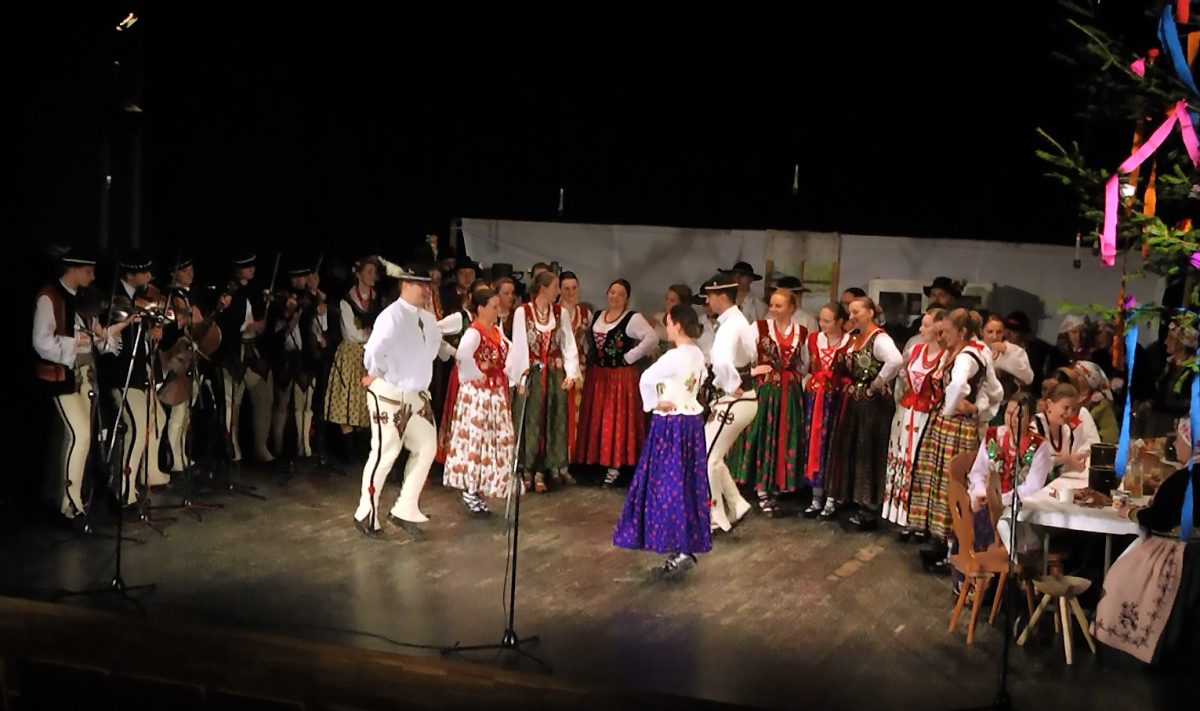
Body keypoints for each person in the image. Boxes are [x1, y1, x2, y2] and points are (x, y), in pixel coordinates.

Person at [612, 305, 711, 576]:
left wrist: (656, 401)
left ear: (677, 325)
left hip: (671, 424)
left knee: (667, 482)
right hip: (691, 423)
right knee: (687, 482)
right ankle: (684, 543)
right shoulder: (696, 353)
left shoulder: (675, 356)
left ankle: (675, 542)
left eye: (668, 323)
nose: (666, 328)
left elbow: (646, 378)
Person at [352, 259, 443, 540]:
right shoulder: (391, 316)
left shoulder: (427, 319)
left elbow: (431, 350)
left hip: (416, 394)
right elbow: (373, 352)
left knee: (427, 446)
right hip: (391, 393)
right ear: (405, 285)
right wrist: (379, 373)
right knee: (385, 453)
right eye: (420, 285)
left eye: (428, 286)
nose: (426, 291)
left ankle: (405, 506)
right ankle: (366, 512)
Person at [33, 248, 124, 520]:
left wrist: (116, 329)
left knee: (79, 437)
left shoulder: (86, 300)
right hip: (62, 376)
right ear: (72, 269)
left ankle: (72, 498)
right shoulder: (49, 297)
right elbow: (42, 342)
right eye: (88, 271)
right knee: (81, 434)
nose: (93, 276)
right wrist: (76, 342)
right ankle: (70, 503)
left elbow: (100, 342)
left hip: (86, 376)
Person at [1099, 420, 1199, 666]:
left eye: (1179, 439)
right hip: (1194, 551)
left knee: (1121, 574)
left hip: (1178, 551)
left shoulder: (1185, 479)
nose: (1175, 444)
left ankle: (1127, 643)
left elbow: (1160, 519)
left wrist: (1131, 512)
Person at [823, 296, 904, 528]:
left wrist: (876, 385)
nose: (851, 316)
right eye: (850, 312)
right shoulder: (856, 337)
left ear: (870, 313)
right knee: (857, 450)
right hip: (857, 403)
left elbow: (895, 361)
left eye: (856, 312)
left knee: (869, 452)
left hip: (873, 405)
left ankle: (869, 507)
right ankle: (857, 500)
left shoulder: (880, 339)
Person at [443, 288, 523, 515]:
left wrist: (515, 373)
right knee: (476, 439)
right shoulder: (475, 332)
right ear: (480, 308)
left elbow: (510, 352)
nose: (498, 310)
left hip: (494, 393)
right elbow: (462, 355)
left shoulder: (495, 330)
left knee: (491, 440)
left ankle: (478, 487)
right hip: (479, 396)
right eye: (493, 307)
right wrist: (477, 373)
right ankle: (470, 487)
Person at [573, 279, 656, 485]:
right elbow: (588, 341)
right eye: (612, 292)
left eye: (620, 294)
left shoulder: (632, 318)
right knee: (597, 418)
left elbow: (651, 338)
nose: (615, 297)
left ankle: (616, 465)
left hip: (620, 377)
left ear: (627, 298)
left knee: (616, 419)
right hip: (598, 375)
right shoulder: (598, 316)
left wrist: (629, 357)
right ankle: (596, 463)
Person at [736, 286, 807, 516]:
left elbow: (804, 363)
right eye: (772, 305)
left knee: (784, 435)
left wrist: (798, 377)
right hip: (766, 392)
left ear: (792, 307)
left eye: (779, 305)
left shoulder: (802, 331)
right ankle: (762, 489)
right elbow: (740, 353)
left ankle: (778, 483)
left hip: (790, 392)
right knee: (764, 434)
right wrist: (752, 371)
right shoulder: (759, 327)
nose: (773, 309)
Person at [511, 271, 580, 492]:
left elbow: (568, 343)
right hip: (532, 373)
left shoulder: (560, 313)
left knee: (553, 419)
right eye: (555, 287)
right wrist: (522, 378)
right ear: (543, 288)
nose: (558, 291)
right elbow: (519, 346)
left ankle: (544, 470)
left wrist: (571, 373)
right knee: (531, 419)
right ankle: (527, 469)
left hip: (553, 374)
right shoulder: (523, 312)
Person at [701, 273, 757, 532]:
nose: (707, 301)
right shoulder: (737, 321)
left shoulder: (731, 325)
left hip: (734, 399)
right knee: (712, 454)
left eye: (710, 296)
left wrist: (731, 384)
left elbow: (722, 360)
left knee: (708, 458)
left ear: (722, 296)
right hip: (741, 398)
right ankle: (737, 503)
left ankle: (716, 516)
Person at [883, 308, 946, 534]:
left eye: (926, 325)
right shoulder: (915, 350)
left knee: (921, 463)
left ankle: (919, 519)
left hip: (927, 415)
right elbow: (901, 379)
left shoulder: (946, 357)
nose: (921, 328)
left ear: (940, 329)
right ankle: (901, 514)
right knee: (902, 458)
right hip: (907, 412)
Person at [324, 256, 382, 459]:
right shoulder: (347, 301)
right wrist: (371, 335)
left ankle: (363, 446)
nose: (373, 276)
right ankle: (348, 450)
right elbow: (351, 333)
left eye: (374, 272)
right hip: (351, 354)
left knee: (367, 400)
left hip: (371, 354)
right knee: (348, 399)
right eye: (369, 272)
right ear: (358, 274)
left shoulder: (377, 299)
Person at [801, 302, 849, 516]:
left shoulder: (849, 342)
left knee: (834, 445)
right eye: (820, 320)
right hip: (816, 399)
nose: (822, 324)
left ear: (840, 321)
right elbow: (805, 366)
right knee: (815, 444)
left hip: (837, 399)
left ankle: (832, 497)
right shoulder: (813, 340)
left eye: (827, 321)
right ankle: (816, 496)